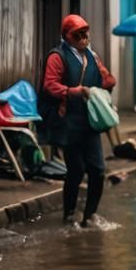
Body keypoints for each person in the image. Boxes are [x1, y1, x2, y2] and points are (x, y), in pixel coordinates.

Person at [39, 13, 116, 226]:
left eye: (85, 33)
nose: (84, 38)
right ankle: (69, 214)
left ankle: (90, 215)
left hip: (90, 121)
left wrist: (107, 83)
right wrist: (75, 91)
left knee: (98, 170)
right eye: (78, 34)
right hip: (68, 122)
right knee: (76, 170)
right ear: (67, 37)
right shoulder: (57, 57)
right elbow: (50, 85)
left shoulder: (92, 56)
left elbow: (106, 79)